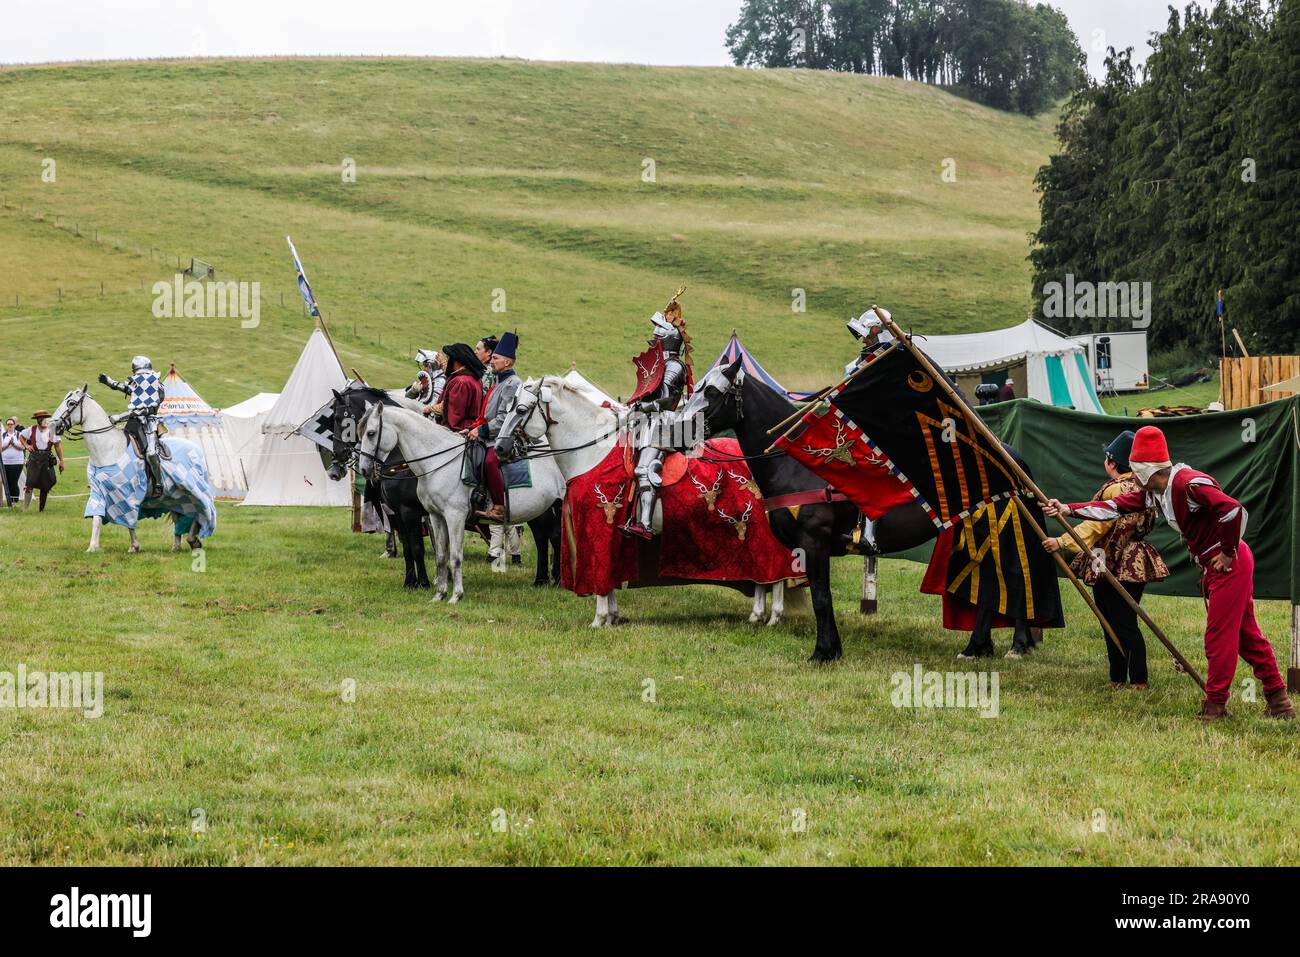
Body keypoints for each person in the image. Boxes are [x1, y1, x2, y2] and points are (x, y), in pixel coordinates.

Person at [1045, 425, 1295, 721]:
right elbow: (1113, 507)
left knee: (1218, 637)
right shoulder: (1157, 491)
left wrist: (1227, 553)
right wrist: (1068, 508)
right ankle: (1279, 701)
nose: (1132, 477)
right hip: (1221, 564)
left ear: (1148, 470)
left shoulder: (1188, 483)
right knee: (1246, 636)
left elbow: (1233, 511)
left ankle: (1216, 706)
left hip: (1230, 564)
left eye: (1136, 470)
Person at [1043, 430, 1168, 688]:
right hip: (1135, 561)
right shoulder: (1143, 486)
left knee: (1116, 621)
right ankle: (1124, 678)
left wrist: (1061, 542)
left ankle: (1131, 679)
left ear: (1111, 463)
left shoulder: (1115, 489)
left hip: (1114, 561)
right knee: (1123, 620)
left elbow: (1095, 526)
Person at [622, 293, 691, 539]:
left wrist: (644, 408)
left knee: (644, 469)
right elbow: (649, 393)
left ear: (668, 339)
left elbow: (667, 400)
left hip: (666, 424)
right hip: (648, 422)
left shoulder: (673, 367)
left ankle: (646, 524)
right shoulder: (660, 365)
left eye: (657, 337)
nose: (653, 340)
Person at [470, 331, 522, 532]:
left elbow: (503, 420)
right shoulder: (499, 381)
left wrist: (481, 430)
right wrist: (473, 428)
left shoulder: (512, 384)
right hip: (490, 432)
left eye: (495, 358)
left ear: (507, 362)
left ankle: (499, 507)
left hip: (504, 436)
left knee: (491, 461)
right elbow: (487, 414)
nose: (491, 361)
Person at [99, 355, 165, 498]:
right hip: (133, 422)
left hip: (149, 423)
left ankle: (158, 484)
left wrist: (120, 416)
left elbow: (146, 409)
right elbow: (127, 389)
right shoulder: (139, 385)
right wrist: (109, 382)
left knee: (151, 453)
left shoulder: (157, 387)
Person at [21, 410, 63, 511]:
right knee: (29, 484)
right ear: (37, 420)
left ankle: (41, 509)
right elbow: (21, 436)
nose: (43, 419)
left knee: (45, 484)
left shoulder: (52, 431)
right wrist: (26, 445)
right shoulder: (31, 429)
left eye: (44, 417)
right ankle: (25, 509)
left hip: (46, 458)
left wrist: (61, 461)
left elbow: (57, 446)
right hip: (34, 458)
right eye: (41, 418)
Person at [844, 309, 894, 375]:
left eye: (867, 336)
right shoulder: (856, 365)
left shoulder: (900, 352)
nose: (863, 341)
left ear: (875, 331)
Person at [2, 417, 25, 506]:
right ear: (7, 425)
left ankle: (15, 500)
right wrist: (8, 445)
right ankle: (9, 501)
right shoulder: (3, 435)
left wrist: (14, 444)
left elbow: (23, 447)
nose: (10, 426)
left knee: (13, 482)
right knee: (6, 482)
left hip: (17, 462)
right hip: (4, 462)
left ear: (15, 425)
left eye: (11, 424)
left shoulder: (19, 435)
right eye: (8, 424)